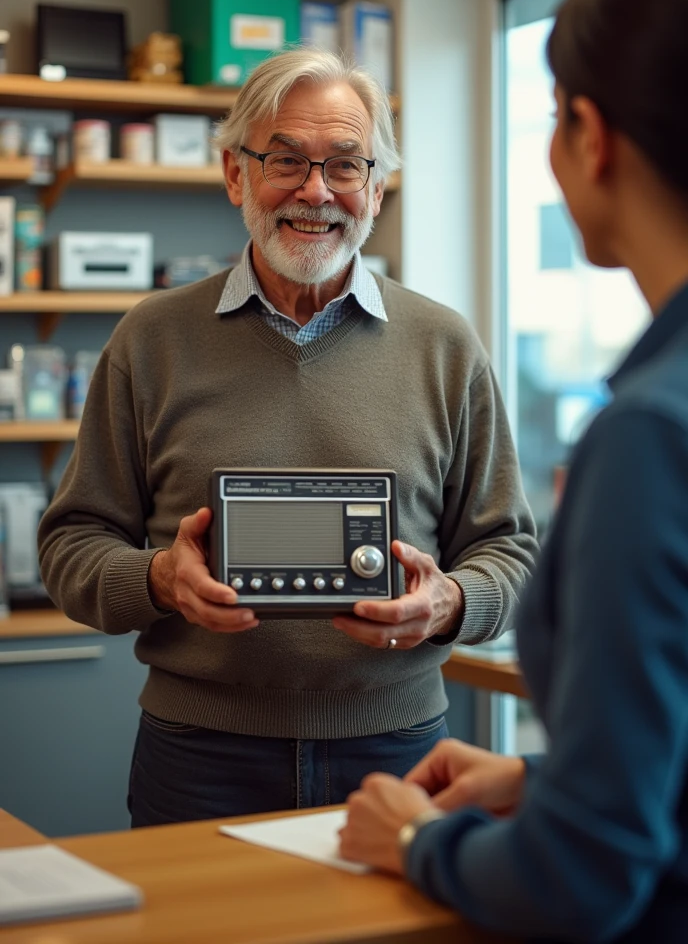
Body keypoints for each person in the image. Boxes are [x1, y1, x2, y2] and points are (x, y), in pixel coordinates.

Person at [38, 47, 537, 828]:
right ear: (237, 175)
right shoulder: (151, 339)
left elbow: (510, 551)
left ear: (375, 190)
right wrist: (162, 581)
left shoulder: (445, 346)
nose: (316, 191)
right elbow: (71, 543)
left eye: (345, 165)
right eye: (285, 159)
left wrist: (449, 602)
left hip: (400, 748)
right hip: (198, 755)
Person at [339, 0, 688, 943]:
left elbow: (585, 875)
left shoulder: (649, 436)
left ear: (590, 133)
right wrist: (544, 777)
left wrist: (415, 842)